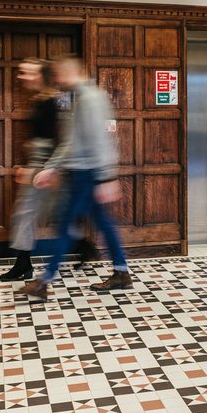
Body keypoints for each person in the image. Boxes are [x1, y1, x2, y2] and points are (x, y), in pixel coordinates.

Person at [21, 56, 130, 300]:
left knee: (66, 224)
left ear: (71, 73)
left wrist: (106, 178)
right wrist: (52, 168)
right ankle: (121, 271)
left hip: (87, 173)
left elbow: (100, 139)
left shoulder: (89, 99)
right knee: (102, 223)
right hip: (82, 171)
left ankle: (44, 281)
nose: (57, 80)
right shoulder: (76, 98)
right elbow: (71, 142)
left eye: (60, 75)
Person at [0, 59, 63, 281]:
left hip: (45, 164)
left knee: (31, 213)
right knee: (27, 213)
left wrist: (45, 168)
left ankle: (26, 265)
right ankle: (23, 263)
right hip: (38, 163)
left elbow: (57, 139)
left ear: (40, 76)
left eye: (26, 73)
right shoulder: (40, 100)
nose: (21, 76)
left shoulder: (52, 101)